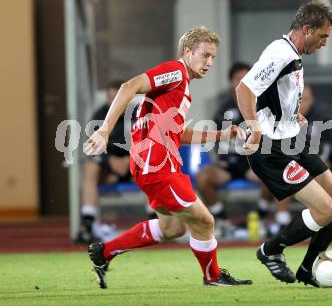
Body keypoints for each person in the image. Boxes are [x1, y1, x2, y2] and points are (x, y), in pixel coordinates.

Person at [84, 26, 252, 288]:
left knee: (173, 229)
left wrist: (222, 134)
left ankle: (103, 253)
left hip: (156, 166)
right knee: (205, 221)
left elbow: (181, 134)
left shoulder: (181, 87)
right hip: (157, 167)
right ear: (187, 52)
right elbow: (130, 86)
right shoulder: (175, 71)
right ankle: (213, 276)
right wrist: (105, 130)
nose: (209, 62)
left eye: (213, 58)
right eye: (205, 55)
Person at [236, 0, 332, 287]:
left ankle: (308, 268)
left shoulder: (292, 54)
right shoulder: (280, 53)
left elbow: (274, 93)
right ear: (307, 29)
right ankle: (271, 250)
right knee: (324, 209)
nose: (324, 43)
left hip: (291, 140)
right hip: (271, 149)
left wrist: (291, 113)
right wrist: (253, 125)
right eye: (323, 36)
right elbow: (245, 89)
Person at [196, 62, 291, 239]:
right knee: (203, 177)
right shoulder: (223, 108)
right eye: (237, 79)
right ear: (231, 82)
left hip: (254, 163)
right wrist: (223, 150)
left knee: (276, 171)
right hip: (229, 164)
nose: (241, 82)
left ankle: (260, 217)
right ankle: (223, 221)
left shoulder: (263, 104)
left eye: (245, 78)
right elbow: (215, 136)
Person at [78, 81, 131, 243]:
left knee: (150, 167)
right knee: (90, 168)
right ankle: (88, 222)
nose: (114, 103)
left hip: (134, 165)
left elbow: (148, 143)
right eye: (111, 99)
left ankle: (154, 219)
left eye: (118, 99)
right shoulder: (99, 116)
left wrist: (129, 160)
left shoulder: (139, 113)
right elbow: (92, 147)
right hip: (109, 168)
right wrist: (110, 160)